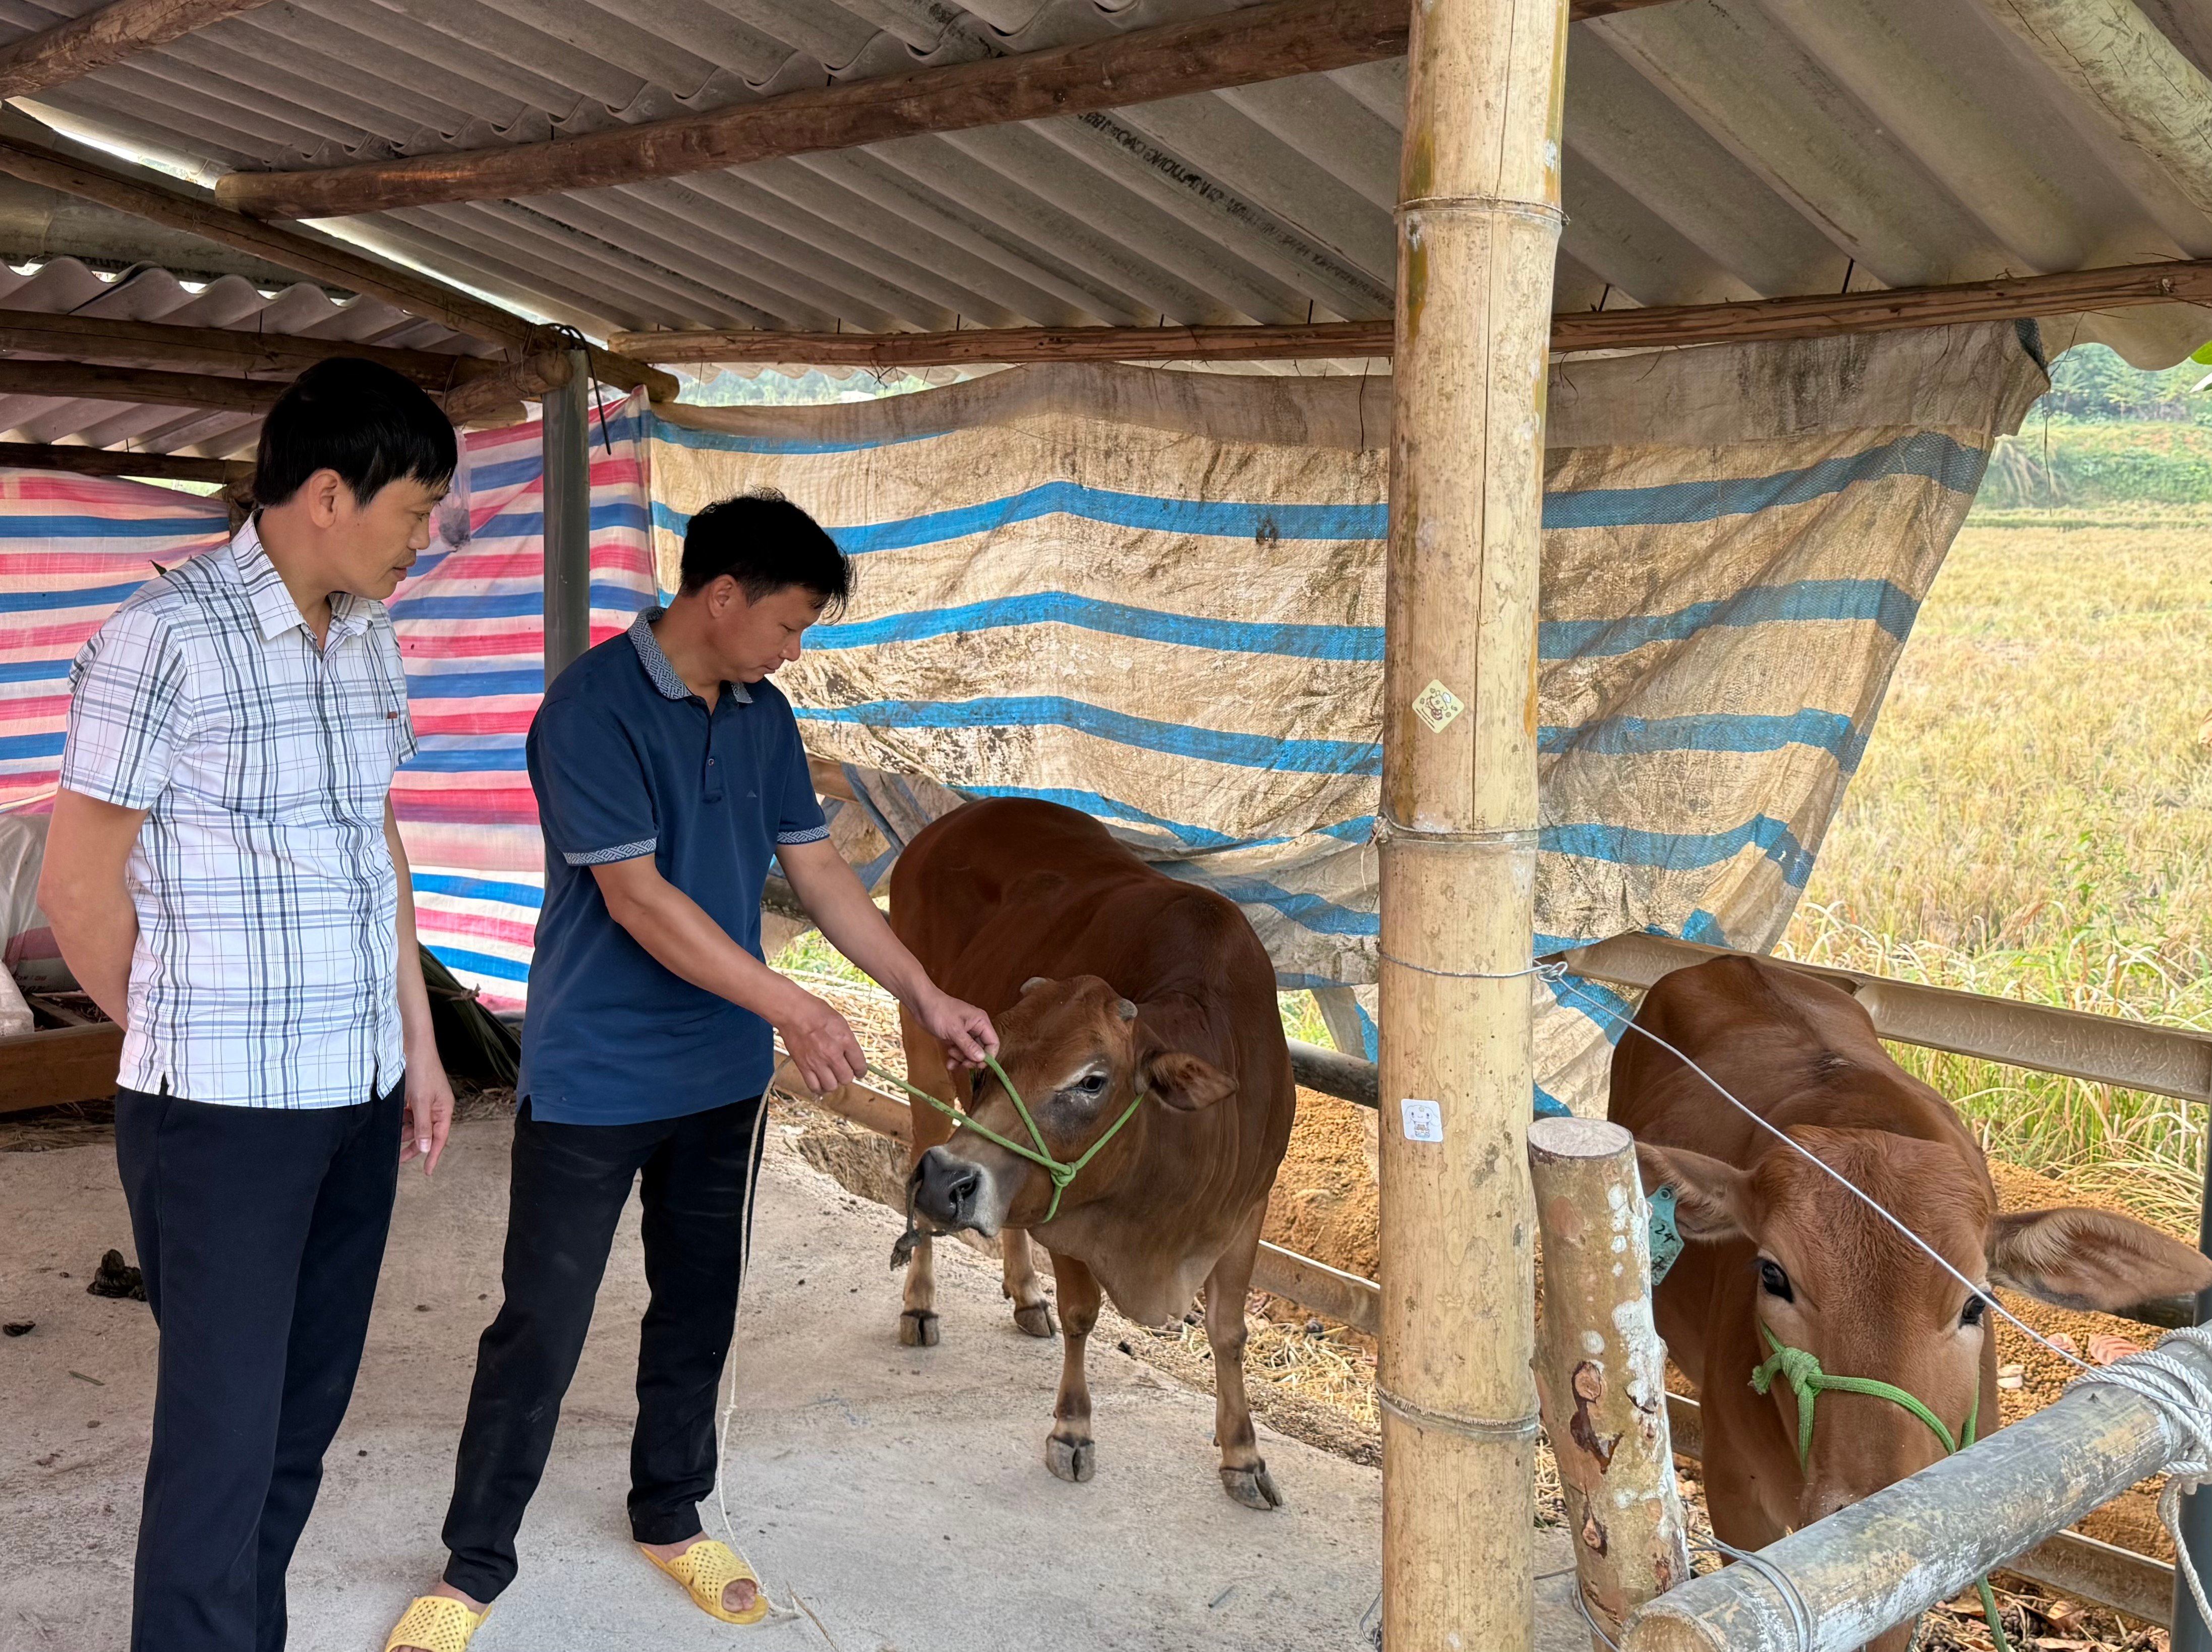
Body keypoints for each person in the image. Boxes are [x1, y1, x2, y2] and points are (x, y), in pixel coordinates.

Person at [381, 491, 997, 1652]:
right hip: (597, 1076)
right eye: (791, 623)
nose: (795, 648)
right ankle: (473, 1567)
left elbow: (816, 875)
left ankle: (671, 1513)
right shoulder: (589, 710)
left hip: (719, 1079)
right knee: (543, 1323)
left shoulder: (761, 716)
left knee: (700, 1310)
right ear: (723, 596)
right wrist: (795, 1005)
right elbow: (640, 900)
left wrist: (924, 990)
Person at [38, 357, 459, 1652]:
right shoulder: (161, 639)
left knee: (297, 1422)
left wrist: (419, 1043)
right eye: (415, 509)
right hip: (220, 1114)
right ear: (328, 493)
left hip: (356, 1093)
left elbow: (368, 844)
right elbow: (79, 884)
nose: (426, 538)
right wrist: (175, 1032)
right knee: (221, 1442)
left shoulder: (371, 638)